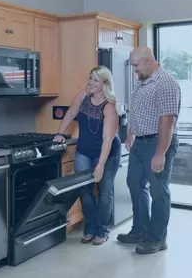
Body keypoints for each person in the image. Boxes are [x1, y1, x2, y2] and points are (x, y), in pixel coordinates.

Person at [116, 46, 180, 254]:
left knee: (158, 190)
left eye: (135, 65)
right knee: (134, 184)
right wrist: (132, 132)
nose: (133, 69)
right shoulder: (143, 81)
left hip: (157, 142)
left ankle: (157, 238)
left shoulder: (166, 84)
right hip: (139, 142)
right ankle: (140, 230)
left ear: (149, 61)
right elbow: (141, 110)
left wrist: (160, 152)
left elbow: (167, 122)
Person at [53, 66, 121, 245]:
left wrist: (101, 165)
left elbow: (107, 139)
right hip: (84, 151)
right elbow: (71, 113)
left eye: (95, 80)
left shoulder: (110, 106)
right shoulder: (83, 96)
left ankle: (102, 230)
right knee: (85, 190)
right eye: (90, 78)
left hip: (107, 153)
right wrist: (60, 132)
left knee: (105, 192)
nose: (90, 82)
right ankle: (90, 228)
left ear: (104, 83)